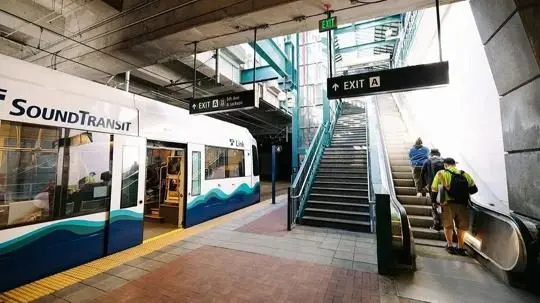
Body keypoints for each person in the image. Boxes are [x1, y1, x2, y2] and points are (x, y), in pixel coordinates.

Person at [430, 158, 478, 255]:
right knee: (461, 227)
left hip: (447, 204)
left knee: (448, 225)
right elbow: (474, 190)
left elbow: (434, 189)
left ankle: (450, 246)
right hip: (462, 204)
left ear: (445, 165)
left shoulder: (441, 173)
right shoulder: (464, 174)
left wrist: (434, 202)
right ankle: (460, 247)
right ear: (454, 165)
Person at [420, 148, 444, 231]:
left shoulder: (427, 161)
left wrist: (423, 187)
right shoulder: (444, 161)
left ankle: (436, 224)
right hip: (444, 187)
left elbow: (422, 174)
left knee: (434, 205)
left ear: (430, 154)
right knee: (444, 204)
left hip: (433, 187)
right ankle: (446, 225)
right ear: (439, 153)